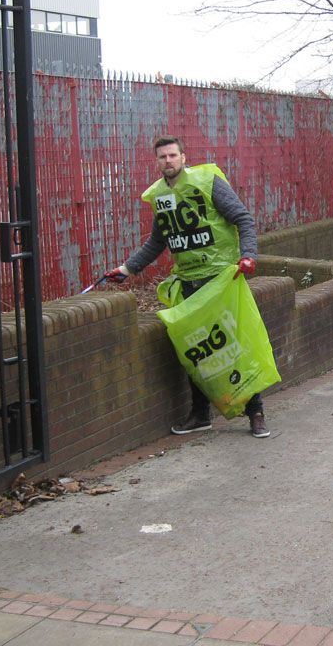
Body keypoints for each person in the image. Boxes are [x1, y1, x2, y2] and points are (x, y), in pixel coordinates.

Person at [105, 136, 271, 438]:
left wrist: (248, 256)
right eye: (162, 157)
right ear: (156, 162)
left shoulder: (208, 182)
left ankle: (255, 411)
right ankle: (200, 413)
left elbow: (242, 219)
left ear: (184, 156)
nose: (167, 161)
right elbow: (159, 240)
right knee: (197, 348)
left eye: (172, 155)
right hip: (189, 282)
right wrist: (128, 268)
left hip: (221, 279)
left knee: (235, 343)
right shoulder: (159, 196)